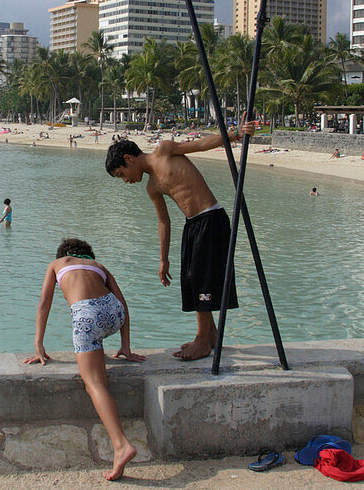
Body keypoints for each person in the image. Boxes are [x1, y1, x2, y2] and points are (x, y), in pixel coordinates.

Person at [105, 115, 256, 360]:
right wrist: (163, 260)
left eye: (122, 174)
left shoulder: (164, 150)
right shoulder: (151, 187)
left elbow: (199, 145)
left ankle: (201, 340)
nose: (126, 180)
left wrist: (234, 135)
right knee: (191, 279)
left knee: (201, 278)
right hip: (193, 225)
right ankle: (211, 335)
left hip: (211, 217)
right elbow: (163, 221)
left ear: (128, 159)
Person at [23, 238, 145, 480]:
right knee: (97, 355)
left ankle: (121, 445)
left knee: (95, 384)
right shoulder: (100, 267)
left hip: (87, 315)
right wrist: (125, 346)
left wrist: (39, 344)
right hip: (113, 312)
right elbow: (123, 303)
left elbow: (44, 303)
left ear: (64, 254)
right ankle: (121, 445)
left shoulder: (56, 264)